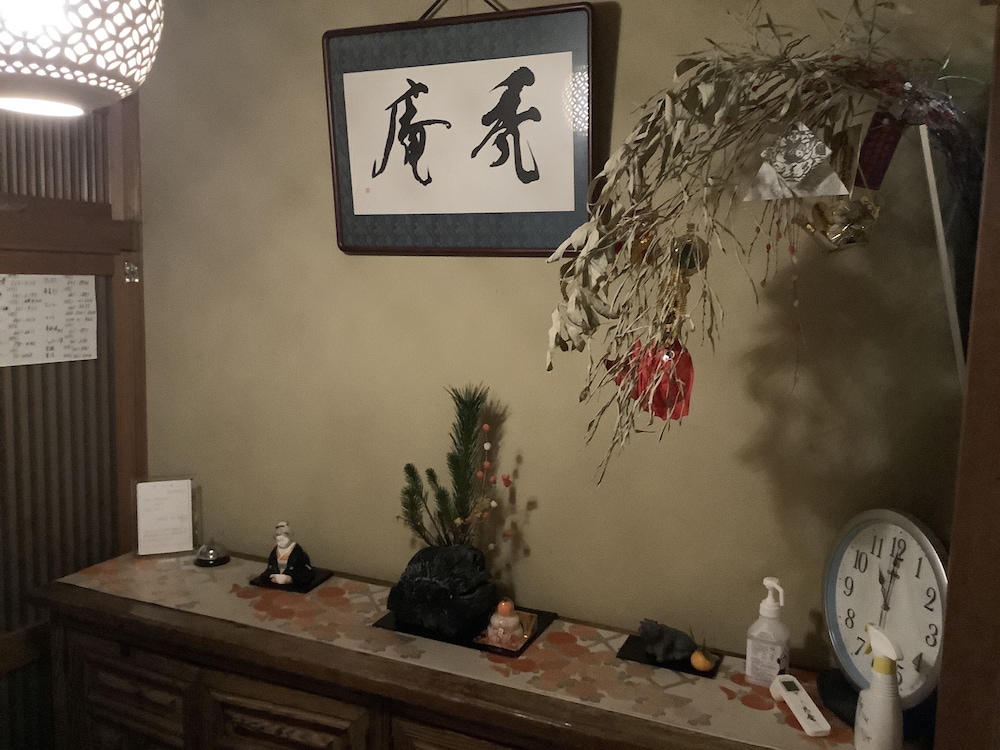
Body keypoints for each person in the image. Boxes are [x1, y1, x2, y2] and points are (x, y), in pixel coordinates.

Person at [263, 521, 313, 587]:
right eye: (278, 540)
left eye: (283, 540)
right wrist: (273, 575)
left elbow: (303, 569)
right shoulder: (275, 551)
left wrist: (290, 578)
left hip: (293, 576)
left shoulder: (297, 551)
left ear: (289, 537)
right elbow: (271, 566)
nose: (281, 542)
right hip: (277, 575)